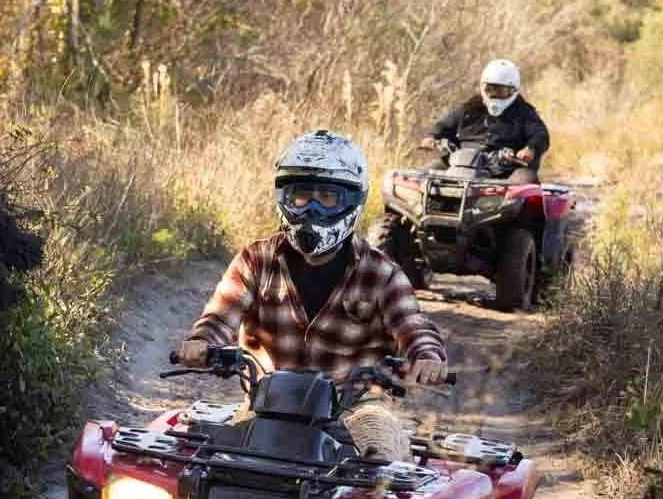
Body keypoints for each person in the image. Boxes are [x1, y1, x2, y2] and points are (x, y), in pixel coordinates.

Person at [175, 130, 449, 461]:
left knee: (380, 463)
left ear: (352, 201)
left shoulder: (381, 272)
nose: (313, 208)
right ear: (285, 198)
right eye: (302, 196)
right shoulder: (256, 260)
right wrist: (202, 342)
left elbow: (412, 324)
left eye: (328, 198)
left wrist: (427, 356)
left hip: (358, 406)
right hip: (270, 402)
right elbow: (220, 316)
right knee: (221, 466)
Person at [425, 59, 549, 183]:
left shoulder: (525, 113)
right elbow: (444, 125)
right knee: (422, 176)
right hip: (459, 164)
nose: (495, 94)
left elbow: (540, 135)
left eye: (501, 91)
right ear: (482, 86)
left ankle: (508, 202)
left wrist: (531, 148)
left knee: (525, 180)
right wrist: (432, 137)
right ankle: (419, 202)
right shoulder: (469, 108)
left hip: (506, 170)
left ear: (514, 90)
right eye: (490, 89)